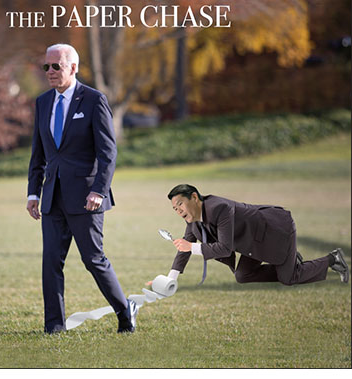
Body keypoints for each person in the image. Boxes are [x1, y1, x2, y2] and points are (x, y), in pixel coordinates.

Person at [26, 43, 137, 334]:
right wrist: (33, 192)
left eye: (56, 66)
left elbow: (108, 153)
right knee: (50, 263)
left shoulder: (94, 100)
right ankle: (54, 326)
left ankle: (125, 311)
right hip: (52, 199)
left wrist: (99, 191)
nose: (50, 72)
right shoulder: (42, 103)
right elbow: (38, 153)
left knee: (94, 261)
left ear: (73, 67)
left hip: (87, 199)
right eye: (46, 67)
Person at [149, 184, 349, 286]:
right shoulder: (193, 221)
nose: (179, 211)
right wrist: (170, 278)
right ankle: (288, 260)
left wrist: (191, 247)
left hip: (275, 230)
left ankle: (333, 259)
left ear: (194, 197)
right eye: (175, 209)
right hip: (252, 243)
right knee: (243, 275)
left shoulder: (220, 208)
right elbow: (184, 248)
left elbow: (224, 248)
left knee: (290, 278)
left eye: (180, 205)